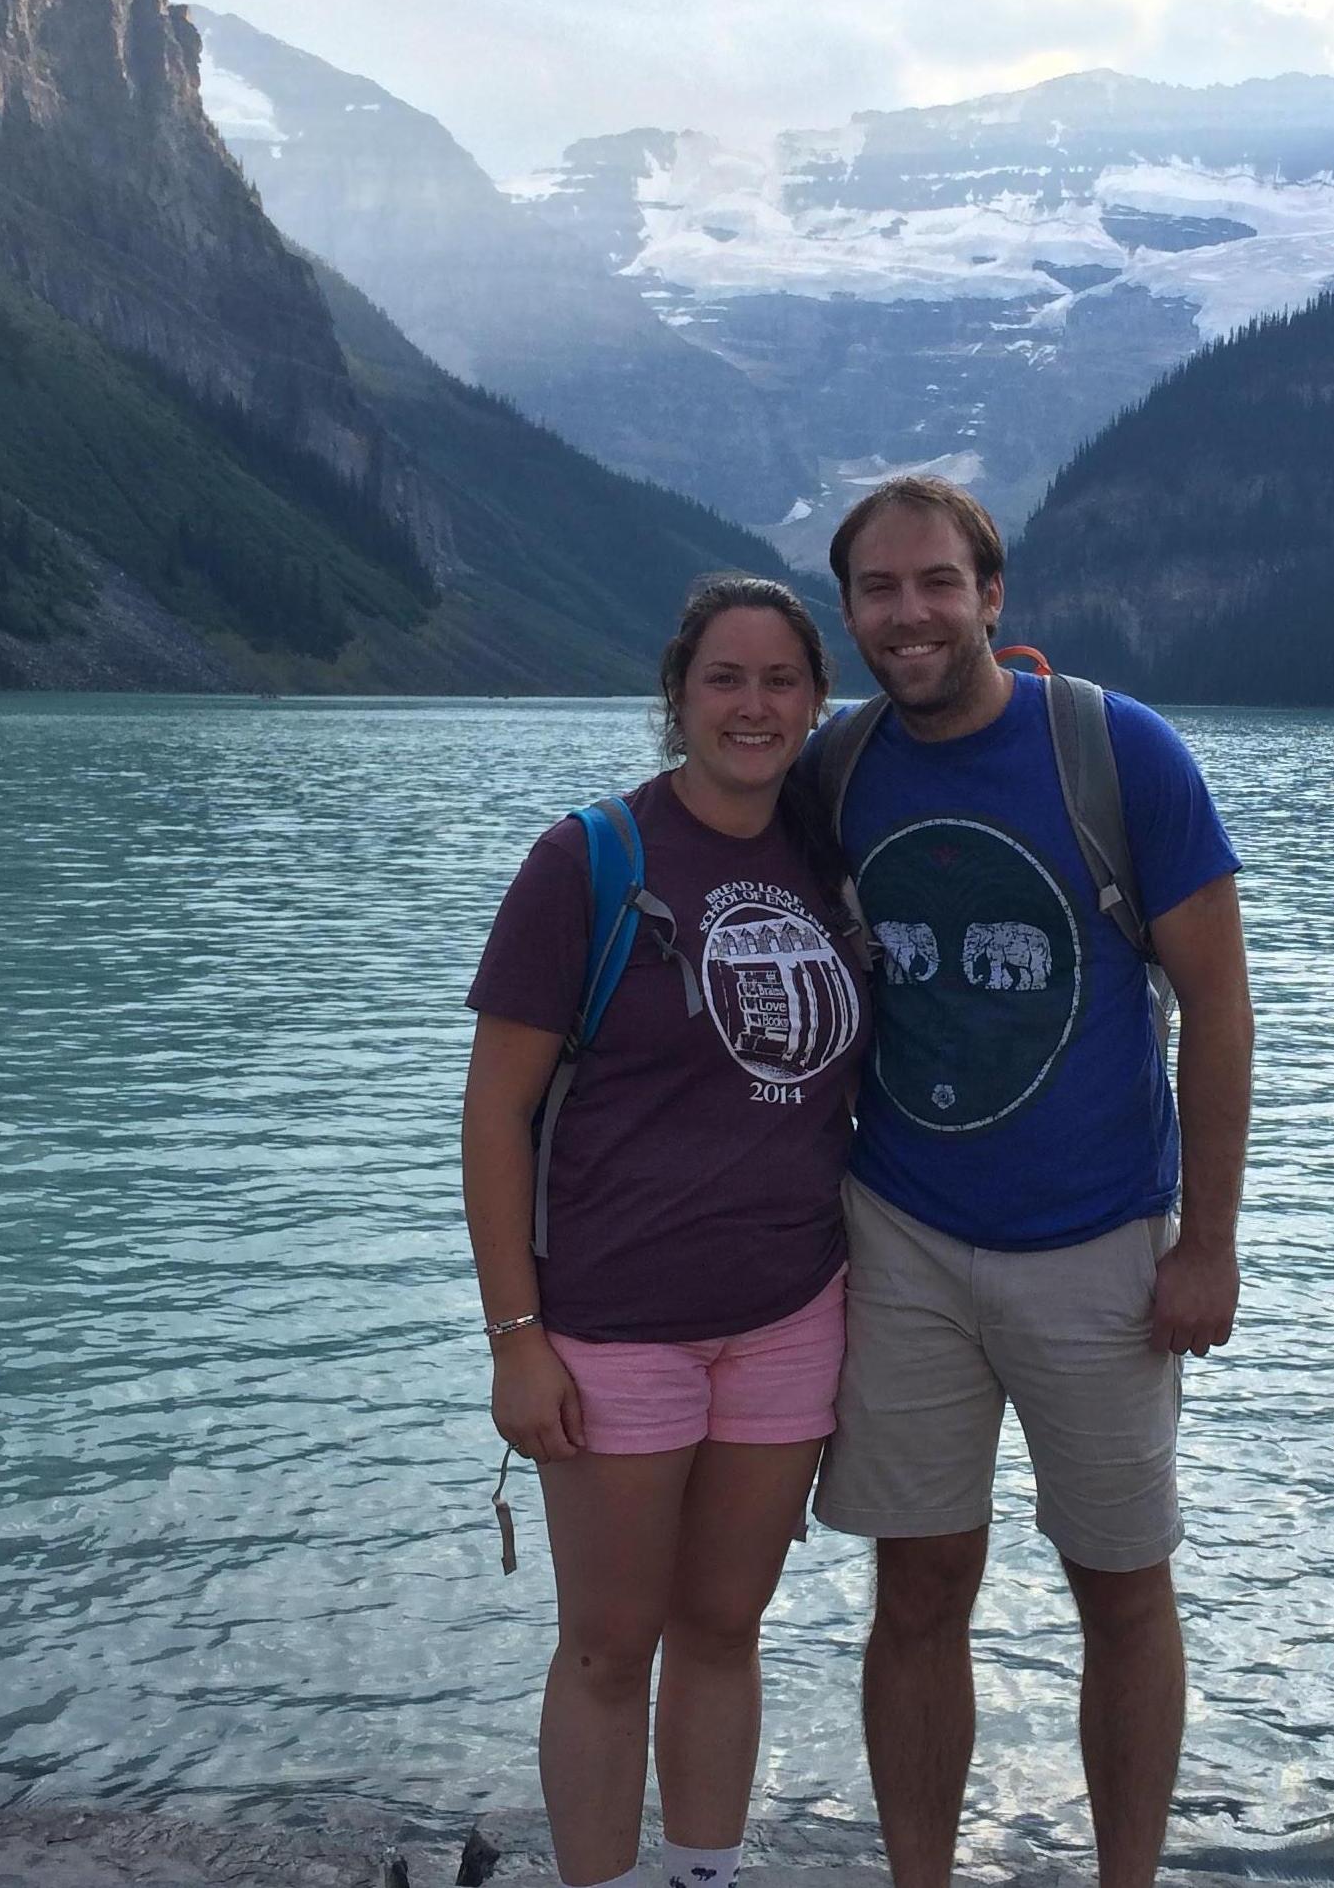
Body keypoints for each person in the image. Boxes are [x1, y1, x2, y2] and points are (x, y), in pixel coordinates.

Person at [805, 476, 1255, 1888]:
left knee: (1120, 1588)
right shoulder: (836, 770)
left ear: (992, 595)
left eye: (937, 581)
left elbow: (1219, 1003)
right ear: (850, 611)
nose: (910, 613)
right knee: (917, 1586)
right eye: (879, 589)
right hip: (901, 1236)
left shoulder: (1120, 754)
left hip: (1100, 1241)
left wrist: (1208, 1245)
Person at [461, 574, 870, 1888]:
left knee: (724, 1627)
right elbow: (495, 1113)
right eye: (724, 679)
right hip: (611, 1328)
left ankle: (702, 1875)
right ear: (678, 698)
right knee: (605, 1645)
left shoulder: (830, 857)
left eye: (780, 681)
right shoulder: (586, 860)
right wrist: (515, 1337)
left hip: (791, 1313)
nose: (753, 706)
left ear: (815, 701)